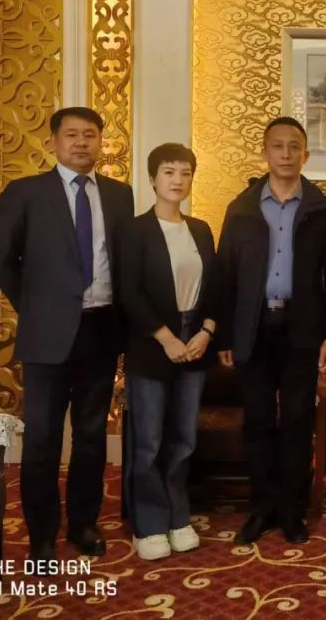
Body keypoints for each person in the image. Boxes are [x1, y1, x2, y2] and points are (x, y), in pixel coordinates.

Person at [0, 106, 134, 562]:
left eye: (90, 135)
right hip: (46, 333)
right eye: (72, 135)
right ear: (54, 141)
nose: (81, 143)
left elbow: (124, 261)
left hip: (101, 329)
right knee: (43, 439)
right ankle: (42, 534)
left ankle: (84, 525)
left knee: (91, 435)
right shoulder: (26, 193)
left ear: (101, 142)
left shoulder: (120, 195)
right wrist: (35, 308)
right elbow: (0, 259)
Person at [215, 117, 326, 545]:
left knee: (297, 421)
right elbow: (226, 275)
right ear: (265, 153)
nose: (286, 154)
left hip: (302, 330)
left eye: (294, 147)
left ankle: (291, 509)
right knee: (257, 421)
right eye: (277, 146)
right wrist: (226, 336)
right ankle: (261, 508)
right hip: (253, 330)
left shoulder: (322, 210)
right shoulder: (242, 208)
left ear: (306, 155)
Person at [119, 143, 218, 561]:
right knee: (149, 441)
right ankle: (149, 524)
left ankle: (178, 517)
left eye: (185, 172)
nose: (178, 180)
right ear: (153, 178)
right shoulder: (135, 230)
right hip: (151, 343)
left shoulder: (201, 229)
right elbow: (130, 292)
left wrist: (207, 331)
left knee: (184, 440)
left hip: (195, 340)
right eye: (169, 172)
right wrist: (166, 338)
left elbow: (216, 286)